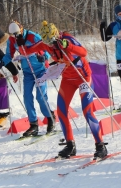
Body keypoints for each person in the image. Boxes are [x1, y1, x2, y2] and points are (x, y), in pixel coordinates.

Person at [17, 21, 107, 158]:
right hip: (67, 80)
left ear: (56, 35)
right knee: (61, 111)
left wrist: (68, 46)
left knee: (87, 111)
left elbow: (83, 52)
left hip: (83, 77)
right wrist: (19, 40)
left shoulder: (66, 38)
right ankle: (70, 145)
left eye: (52, 42)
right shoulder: (45, 43)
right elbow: (26, 51)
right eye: (48, 44)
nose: (50, 46)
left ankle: (100, 145)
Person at [0, 21, 55, 136]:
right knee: (27, 97)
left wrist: (44, 57)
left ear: (21, 29)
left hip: (40, 70)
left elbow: (47, 48)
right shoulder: (11, 40)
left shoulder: (33, 36)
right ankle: (33, 124)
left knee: (41, 96)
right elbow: (8, 55)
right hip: (27, 72)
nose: (15, 37)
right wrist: (2, 62)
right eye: (13, 35)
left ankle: (50, 118)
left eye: (17, 34)